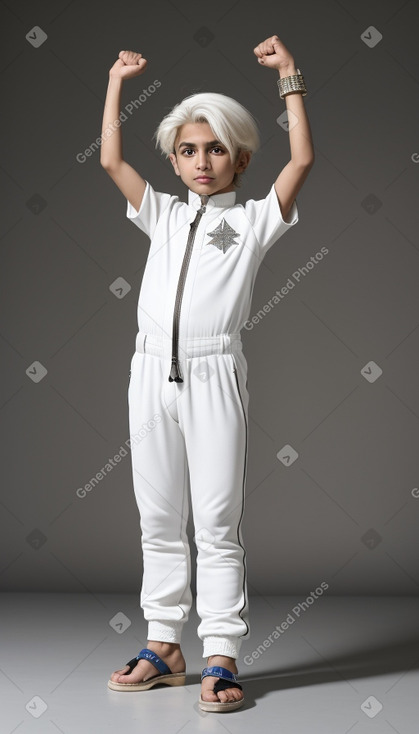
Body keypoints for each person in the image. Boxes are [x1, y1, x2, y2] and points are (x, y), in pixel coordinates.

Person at [101, 34, 314, 712]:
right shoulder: (160, 214)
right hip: (147, 375)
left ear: (240, 159)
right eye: (188, 150)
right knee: (157, 515)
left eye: (216, 148)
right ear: (172, 158)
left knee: (216, 520)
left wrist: (289, 76)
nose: (201, 161)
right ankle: (163, 645)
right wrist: (116, 82)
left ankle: (220, 653)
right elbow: (109, 157)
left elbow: (303, 157)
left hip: (214, 373)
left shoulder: (252, 222)